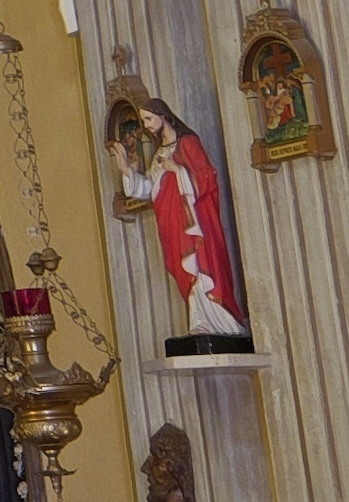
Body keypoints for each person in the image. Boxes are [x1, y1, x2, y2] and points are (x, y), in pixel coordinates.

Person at [107, 87, 250, 353]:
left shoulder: (189, 143)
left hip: (195, 222)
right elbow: (150, 189)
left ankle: (221, 321)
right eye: (143, 120)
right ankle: (199, 320)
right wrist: (126, 169)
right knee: (185, 269)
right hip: (171, 222)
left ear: (163, 116)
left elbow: (207, 177)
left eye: (149, 119)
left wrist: (179, 171)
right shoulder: (159, 153)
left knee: (201, 265)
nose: (146, 126)